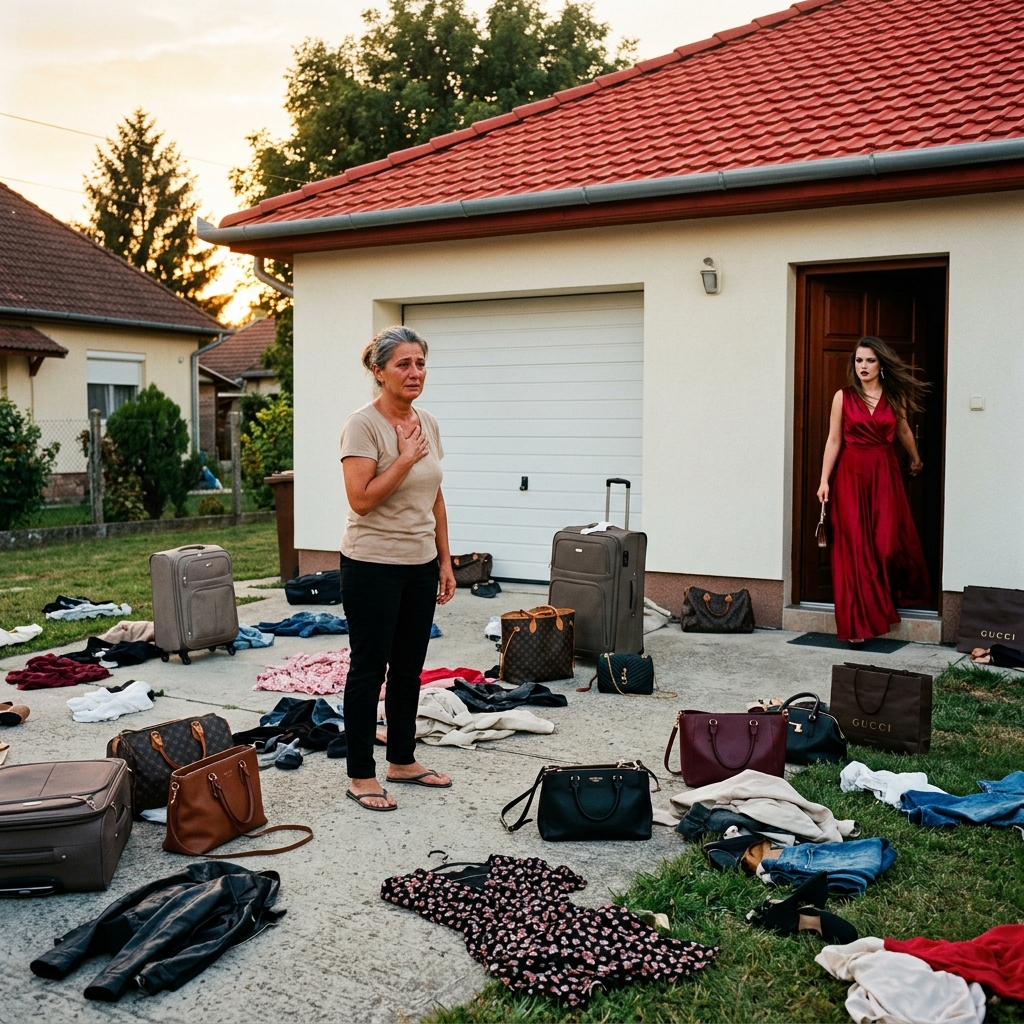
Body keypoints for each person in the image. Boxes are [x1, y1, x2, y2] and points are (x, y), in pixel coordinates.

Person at [339, 326, 457, 811]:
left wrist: (446, 560)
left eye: (420, 364)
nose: (414, 373)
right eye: (403, 365)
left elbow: (436, 496)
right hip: (371, 564)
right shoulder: (362, 426)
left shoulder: (427, 421)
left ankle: (403, 759)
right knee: (369, 669)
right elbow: (361, 500)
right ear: (379, 371)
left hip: (419, 564)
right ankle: (361, 774)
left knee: (410, 668)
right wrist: (405, 458)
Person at [817, 336, 930, 644]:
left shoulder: (894, 395)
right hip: (851, 475)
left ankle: (882, 606)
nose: (863, 366)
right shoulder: (843, 396)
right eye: (858, 360)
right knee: (853, 550)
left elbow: (904, 430)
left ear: (881, 364)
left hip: (885, 472)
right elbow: (834, 440)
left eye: (869, 360)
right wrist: (825, 480)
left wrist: (916, 458)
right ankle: (857, 626)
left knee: (886, 545)